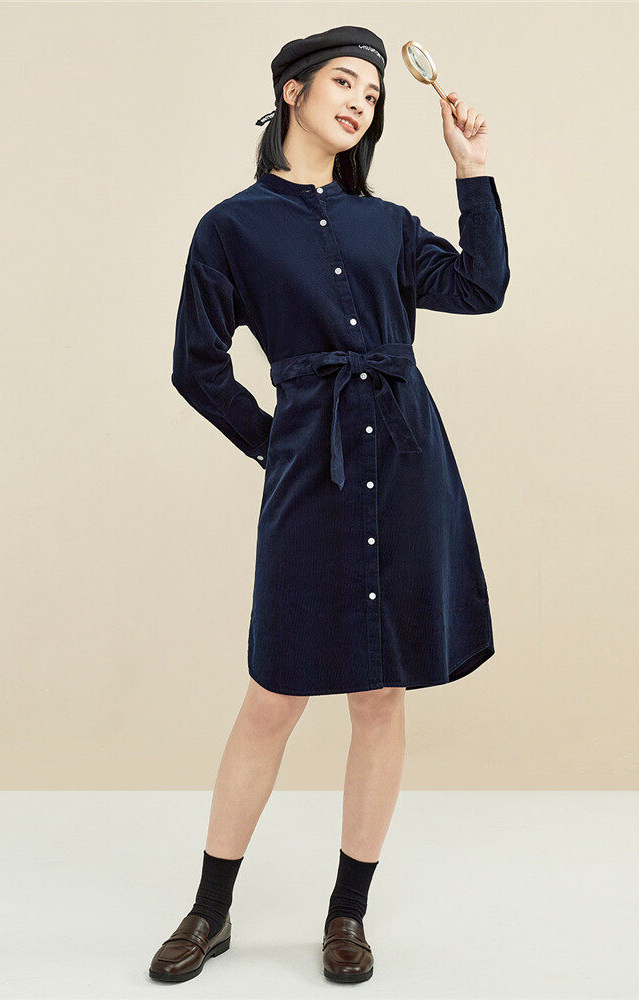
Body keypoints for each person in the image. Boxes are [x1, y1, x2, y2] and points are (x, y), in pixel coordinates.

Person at [149, 24, 509, 985]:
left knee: (380, 694)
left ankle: (348, 912)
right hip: (314, 469)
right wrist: (280, 441)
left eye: (374, 93)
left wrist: (471, 168)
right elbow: (196, 365)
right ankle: (210, 909)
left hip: (408, 460)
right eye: (345, 82)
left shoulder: (385, 224)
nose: (361, 102)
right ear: (293, 91)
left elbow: (481, 288)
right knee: (274, 694)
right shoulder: (231, 227)